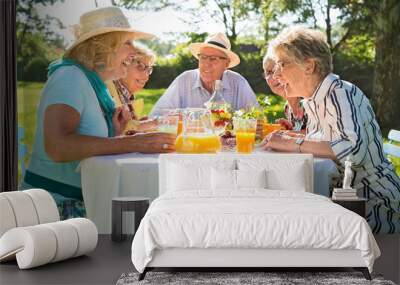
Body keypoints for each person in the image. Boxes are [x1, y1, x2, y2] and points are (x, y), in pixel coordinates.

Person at [21, 7, 176, 218]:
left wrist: (115, 132)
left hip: (78, 202)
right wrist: (135, 142)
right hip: (54, 209)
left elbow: (87, 147)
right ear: (103, 46)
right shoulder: (70, 76)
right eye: (127, 43)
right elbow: (57, 147)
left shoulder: (94, 83)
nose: (134, 51)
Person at [262, 26, 400, 234]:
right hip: (347, 199)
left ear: (309, 66)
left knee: (294, 225)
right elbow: (327, 140)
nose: (277, 74)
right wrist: (293, 135)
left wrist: (291, 142)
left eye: (283, 64)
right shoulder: (314, 101)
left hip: (373, 205)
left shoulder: (339, 93)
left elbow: (352, 150)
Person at [150, 33, 258, 116]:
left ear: (226, 64)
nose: (206, 64)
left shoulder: (238, 82)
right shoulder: (184, 80)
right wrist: (189, 115)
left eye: (213, 59)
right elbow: (156, 115)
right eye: (203, 57)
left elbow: (255, 118)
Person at [107, 43, 157, 133]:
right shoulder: (109, 89)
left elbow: (127, 129)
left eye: (148, 70)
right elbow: (115, 130)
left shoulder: (126, 94)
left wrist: (140, 124)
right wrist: (155, 123)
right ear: (124, 64)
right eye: (140, 66)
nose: (146, 76)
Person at [262, 55, 307, 132]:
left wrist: (288, 135)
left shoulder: (308, 101)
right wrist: (290, 129)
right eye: (268, 73)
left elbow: (317, 138)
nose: (272, 77)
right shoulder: (287, 108)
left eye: (276, 70)